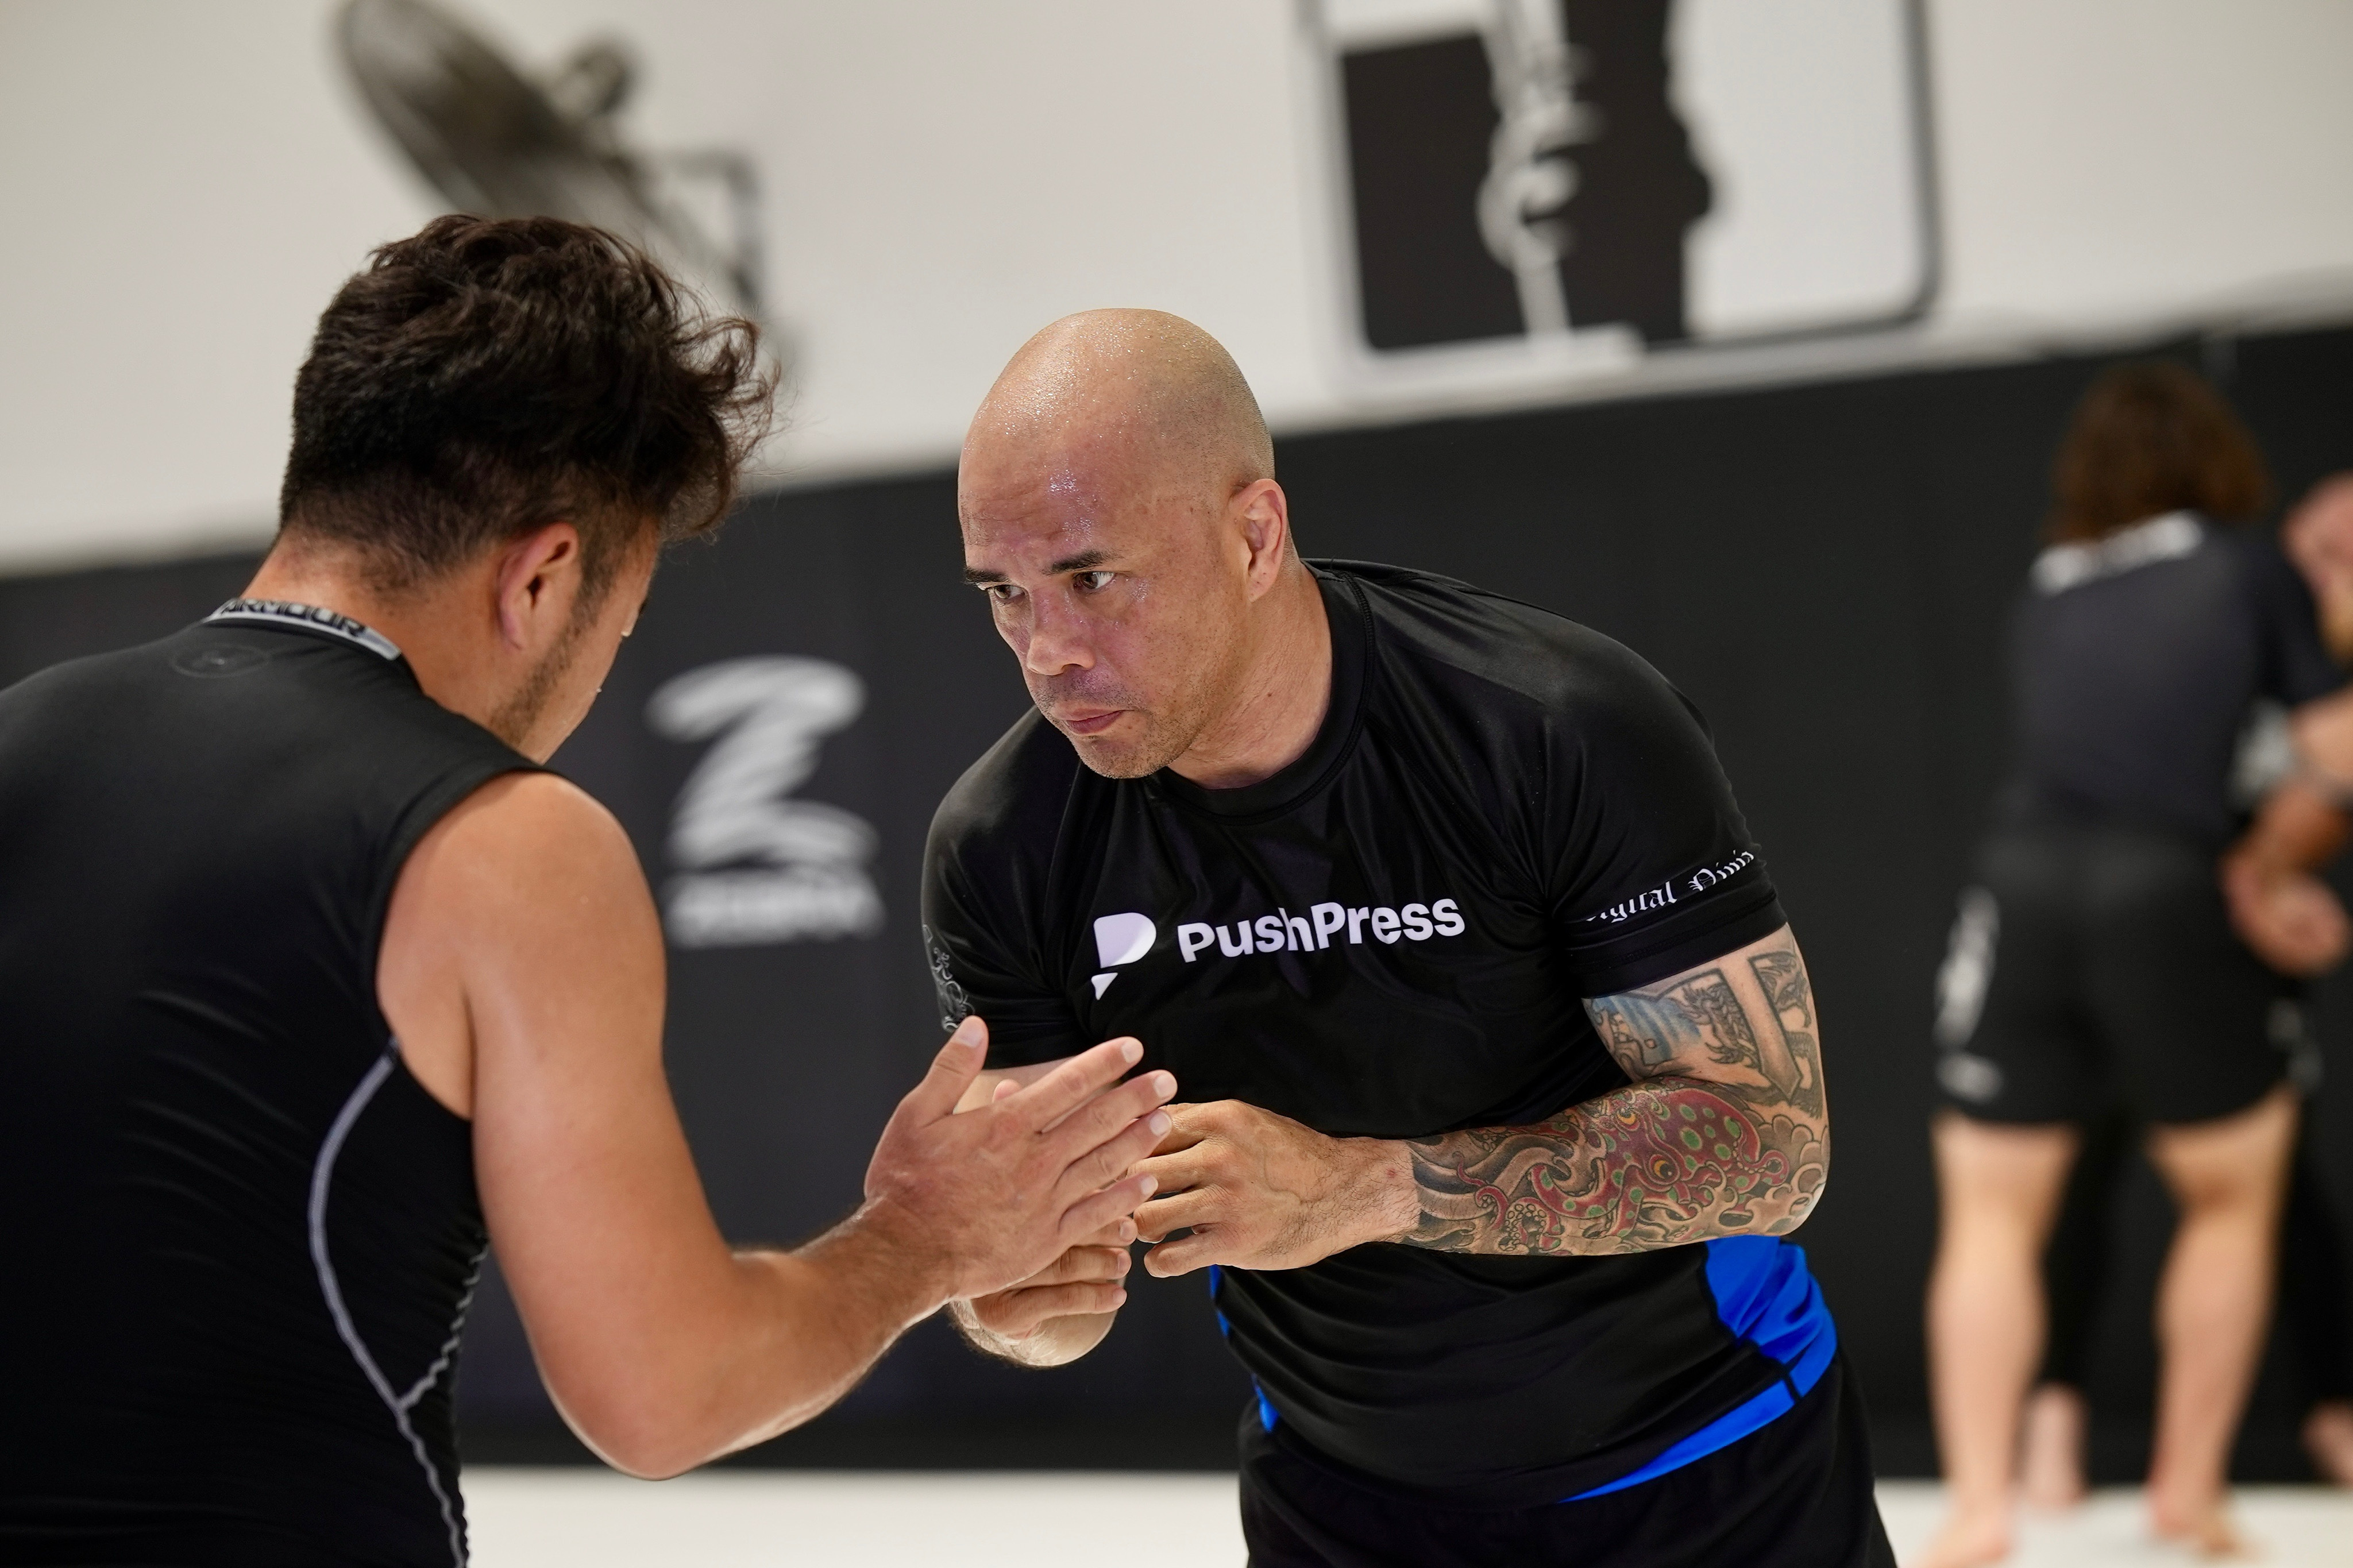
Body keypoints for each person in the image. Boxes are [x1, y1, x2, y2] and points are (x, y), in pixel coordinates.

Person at [0, 217, 1174, 1567]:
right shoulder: (502, 842)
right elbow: (663, 1392)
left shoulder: (18, 737)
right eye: (624, 623)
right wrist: (922, 1237)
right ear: (546, 577)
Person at [921, 309, 1890, 1567]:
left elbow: (1770, 1149)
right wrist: (1013, 1306)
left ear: (1253, 534)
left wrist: (1363, 1189)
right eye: (1002, 595)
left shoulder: (1551, 727)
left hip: (1711, 1475)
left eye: (1092, 579)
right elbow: (1039, 1283)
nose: (1046, 653)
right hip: (1342, 1508)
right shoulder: (1002, 844)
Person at [1919, 363, 2346, 1566]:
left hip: (2019, 886)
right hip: (2163, 886)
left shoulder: (2047, 587)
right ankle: (2184, 1491)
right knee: (2228, 1197)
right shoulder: (2241, 561)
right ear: (2212, 461)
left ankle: (1975, 1508)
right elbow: (2336, 747)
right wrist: (2266, 871)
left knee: (1988, 1218)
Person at [2015, 471, 2353, 1507]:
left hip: (2202, 926)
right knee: (2085, 1158)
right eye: (2328, 538)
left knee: (2266, 1179)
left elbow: (2327, 784)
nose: (2332, 557)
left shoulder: (2299, 647)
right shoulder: (2214, 599)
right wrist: (2260, 880)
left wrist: (2266, 877)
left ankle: (2295, 1428)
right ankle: (2054, 1421)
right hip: (2137, 910)